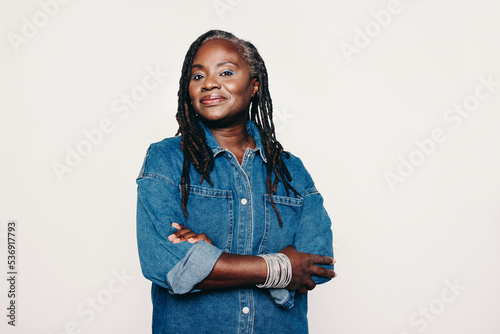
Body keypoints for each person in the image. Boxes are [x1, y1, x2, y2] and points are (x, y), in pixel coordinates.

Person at [136, 29, 336, 334]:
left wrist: (208, 261)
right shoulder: (165, 160)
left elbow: (315, 265)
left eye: (226, 72)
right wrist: (280, 267)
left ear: (254, 85)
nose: (209, 84)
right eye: (197, 76)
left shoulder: (290, 171)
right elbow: (165, 262)